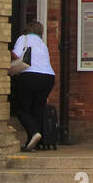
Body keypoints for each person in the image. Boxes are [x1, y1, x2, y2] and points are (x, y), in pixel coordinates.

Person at [12, 21, 56, 150]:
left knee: (21, 109)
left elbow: (16, 54)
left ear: (26, 29)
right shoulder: (43, 44)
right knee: (37, 109)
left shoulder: (23, 38)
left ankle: (34, 133)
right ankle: (33, 143)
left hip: (30, 76)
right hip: (48, 77)